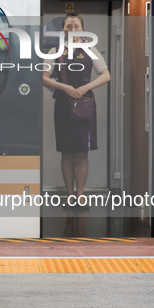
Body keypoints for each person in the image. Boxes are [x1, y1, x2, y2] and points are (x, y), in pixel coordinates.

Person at [42, 14, 111, 206]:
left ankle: (80, 195)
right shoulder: (54, 51)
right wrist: (65, 88)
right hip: (63, 106)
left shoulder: (90, 49)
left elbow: (106, 75)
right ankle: (69, 195)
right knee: (66, 152)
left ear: (83, 30)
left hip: (85, 106)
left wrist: (85, 88)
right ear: (63, 30)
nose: (72, 30)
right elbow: (43, 77)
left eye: (76, 26)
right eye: (68, 27)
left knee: (82, 152)